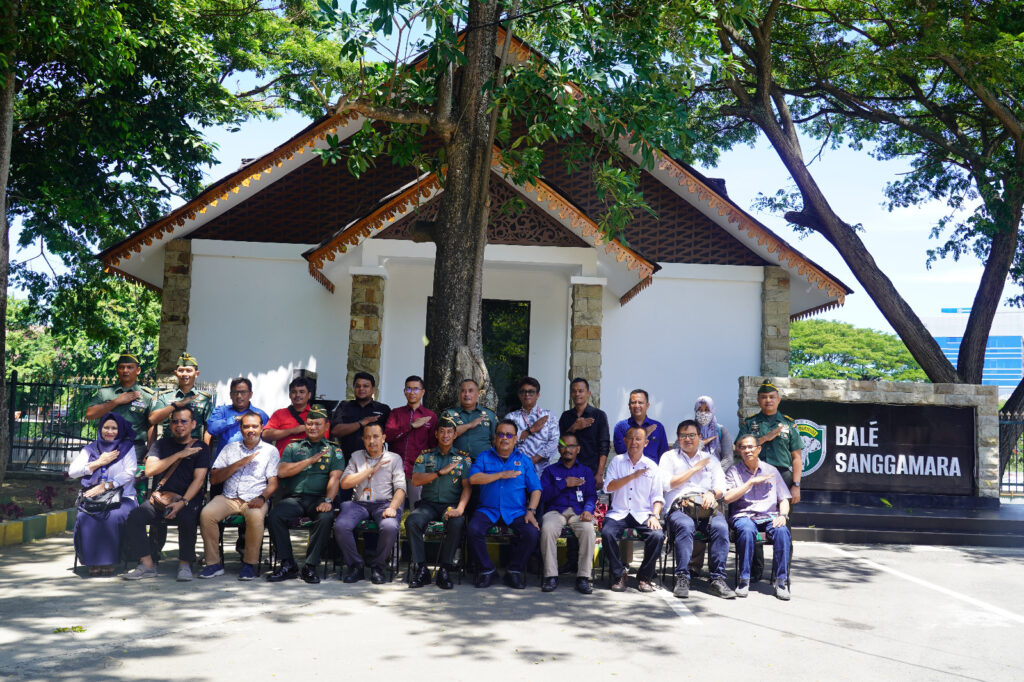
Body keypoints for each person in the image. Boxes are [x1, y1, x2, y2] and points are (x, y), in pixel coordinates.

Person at [122, 406, 211, 582]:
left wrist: (183, 501)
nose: (179, 425)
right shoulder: (160, 444)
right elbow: (150, 470)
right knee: (135, 517)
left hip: (187, 499)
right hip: (160, 498)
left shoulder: (200, 447)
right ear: (170, 425)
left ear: (193, 424)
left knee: (188, 517)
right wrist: (180, 454)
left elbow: (198, 480)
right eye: (175, 421)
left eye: (184, 421)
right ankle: (147, 564)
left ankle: (185, 563)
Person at [265, 405, 345, 584]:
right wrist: (309, 460)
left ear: (326, 426)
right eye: (309, 424)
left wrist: (328, 500)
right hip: (295, 498)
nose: (313, 427)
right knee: (275, 515)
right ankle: (287, 564)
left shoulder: (334, 450)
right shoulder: (293, 447)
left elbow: (335, 479)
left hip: (318, 499)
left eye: (317, 424)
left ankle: (310, 566)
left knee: (325, 517)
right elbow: (283, 472)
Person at [198, 411, 279, 581]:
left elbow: (273, 482)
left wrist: (262, 498)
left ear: (261, 428)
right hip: (228, 497)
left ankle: (249, 564)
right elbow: (214, 479)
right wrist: (238, 464)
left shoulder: (270, 451)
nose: (251, 430)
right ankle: (213, 563)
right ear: (241, 428)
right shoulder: (230, 448)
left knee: (256, 517)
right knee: (207, 514)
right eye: (246, 426)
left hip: (255, 498)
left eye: (254, 426)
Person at [661, 420, 735, 600]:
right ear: (678, 438)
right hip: (680, 507)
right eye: (683, 436)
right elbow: (666, 484)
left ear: (700, 437)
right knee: (685, 526)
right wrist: (694, 469)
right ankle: (682, 577)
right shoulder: (669, 457)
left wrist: (711, 493)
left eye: (692, 435)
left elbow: (720, 487)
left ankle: (717, 579)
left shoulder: (711, 460)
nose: (688, 439)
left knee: (721, 527)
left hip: (706, 507)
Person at [467, 419, 542, 589]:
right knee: (473, 529)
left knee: (531, 533)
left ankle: (514, 571)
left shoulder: (524, 460)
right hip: (488, 510)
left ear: (516, 439)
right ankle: (488, 570)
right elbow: (473, 478)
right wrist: (500, 475)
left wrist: (531, 511)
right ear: (495, 437)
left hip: (516, 511)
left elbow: (536, 489)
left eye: (509, 435)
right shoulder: (484, 457)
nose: (504, 438)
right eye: (500, 434)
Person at [68, 413, 138, 576]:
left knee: (113, 515)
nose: (110, 431)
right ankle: (92, 561)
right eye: (106, 427)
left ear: (120, 430)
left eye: (114, 428)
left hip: (122, 498)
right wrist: (99, 462)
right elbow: (72, 472)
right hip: (95, 499)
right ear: (100, 429)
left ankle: (110, 560)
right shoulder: (91, 449)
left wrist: (106, 485)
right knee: (85, 516)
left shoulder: (127, 448)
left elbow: (130, 472)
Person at [334, 423, 406, 584]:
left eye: (375, 436)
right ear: (363, 440)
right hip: (359, 503)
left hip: (384, 503)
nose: (371, 441)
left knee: (389, 526)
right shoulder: (356, 456)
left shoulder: (394, 458)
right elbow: (345, 483)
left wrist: (393, 508)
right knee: (341, 525)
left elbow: (401, 488)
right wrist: (369, 471)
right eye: (367, 437)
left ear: (383, 438)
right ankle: (356, 566)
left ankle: (378, 567)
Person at [405, 417, 472, 589]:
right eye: (442, 431)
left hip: (450, 505)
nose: (445, 435)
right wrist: (439, 472)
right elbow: (416, 480)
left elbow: (467, 487)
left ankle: (445, 569)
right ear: (436, 433)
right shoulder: (425, 456)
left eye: (449, 431)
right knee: (412, 521)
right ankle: (421, 569)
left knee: (457, 522)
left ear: (455, 435)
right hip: (428, 505)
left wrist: (460, 509)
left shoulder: (463, 459)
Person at [725, 433, 793, 600]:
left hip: (769, 516)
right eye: (743, 447)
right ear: (739, 450)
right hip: (744, 516)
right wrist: (749, 483)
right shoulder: (734, 471)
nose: (747, 450)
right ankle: (744, 579)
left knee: (782, 531)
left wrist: (783, 515)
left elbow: (784, 498)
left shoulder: (772, 471)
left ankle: (781, 581)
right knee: (746, 530)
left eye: (751, 447)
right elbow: (727, 498)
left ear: (758, 449)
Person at [602, 426, 665, 593]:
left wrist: (655, 515)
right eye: (630, 438)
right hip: (619, 512)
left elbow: (657, 497)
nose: (634, 442)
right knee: (607, 533)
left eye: (638, 439)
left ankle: (645, 576)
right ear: (624, 441)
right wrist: (633, 476)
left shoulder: (652, 466)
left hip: (643, 513)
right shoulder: (617, 461)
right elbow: (608, 487)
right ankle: (618, 573)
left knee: (657, 536)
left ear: (645, 443)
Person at [538, 433, 597, 594]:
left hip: (579, 511)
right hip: (555, 511)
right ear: (559, 448)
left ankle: (583, 577)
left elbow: (591, 495)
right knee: (548, 529)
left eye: (571, 446)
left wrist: (588, 510)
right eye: (564, 446)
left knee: (588, 530)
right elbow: (542, 495)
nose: (567, 449)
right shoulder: (550, 471)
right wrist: (564, 483)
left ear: (578, 449)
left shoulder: (586, 471)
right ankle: (551, 576)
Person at [737, 380, 803, 503]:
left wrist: (796, 485)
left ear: (778, 400)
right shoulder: (750, 422)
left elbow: (797, 457)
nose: (768, 400)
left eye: (772, 397)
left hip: (782, 475)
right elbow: (738, 448)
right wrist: (764, 438)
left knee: (783, 514)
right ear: (758, 400)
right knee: (753, 511)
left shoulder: (788, 423)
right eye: (764, 397)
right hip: (754, 473)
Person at [85, 352, 155, 460]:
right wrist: (116, 402)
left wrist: (151, 452)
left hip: (135, 448)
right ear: (117, 370)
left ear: (138, 370)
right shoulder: (106, 393)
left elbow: (151, 425)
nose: (125, 371)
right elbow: (89, 414)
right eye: (122, 367)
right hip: (107, 446)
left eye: (130, 367)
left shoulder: (146, 396)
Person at [384, 375, 437, 507]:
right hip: (396, 468)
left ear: (422, 392)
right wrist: (411, 426)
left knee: (417, 509)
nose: (412, 392)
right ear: (404, 391)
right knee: (393, 510)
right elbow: (388, 436)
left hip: (418, 469)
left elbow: (433, 445)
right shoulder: (396, 413)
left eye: (416, 389)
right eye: (408, 389)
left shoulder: (430, 416)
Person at [149, 352, 214, 443]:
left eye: (188, 370)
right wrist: (174, 406)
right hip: (168, 447)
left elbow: (209, 429)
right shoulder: (165, 396)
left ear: (196, 373)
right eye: (181, 370)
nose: (184, 374)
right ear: (176, 373)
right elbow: (153, 420)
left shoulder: (204, 399)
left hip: (193, 448)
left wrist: (205, 451)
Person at [558, 378, 610, 489]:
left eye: (580, 391)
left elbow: (604, 446)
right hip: (568, 468)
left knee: (588, 503)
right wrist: (573, 428)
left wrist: (600, 474)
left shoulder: (599, 415)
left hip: (591, 470)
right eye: (574, 391)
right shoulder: (566, 416)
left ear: (588, 393)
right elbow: (560, 442)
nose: (577, 394)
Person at [505, 376, 560, 476]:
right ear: (519, 395)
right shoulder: (511, 417)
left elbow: (555, 441)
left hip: (542, 472)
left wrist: (535, 459)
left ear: (538, 395)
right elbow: (506, 440)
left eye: (531, 392)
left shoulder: (549, 416)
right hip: (516, 469)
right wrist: (530, 430)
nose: (527, 394)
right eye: (523, 391)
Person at [331, 372, 391, 457]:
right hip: (347, 460)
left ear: (373, 389)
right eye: (358, 386)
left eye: (366, 386)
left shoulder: (383, 409)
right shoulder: (344, 406)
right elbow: (335, 431)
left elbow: (390, 437)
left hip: (375, 462)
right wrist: (361, 423)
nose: (361, 389)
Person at [206, 377, 269, 457]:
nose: (239, 396)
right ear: (230, 395)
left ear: (250, 394)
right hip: (225, 462)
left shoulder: (260, 414)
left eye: (243, 392)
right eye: (235, 392)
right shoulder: (221, 411)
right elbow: (211, 429)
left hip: (252, 462)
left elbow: (267, 438)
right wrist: (237, 418)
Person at [441, 378, 497, 457]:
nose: (467, 394)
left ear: (478, 394)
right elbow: (443, 437)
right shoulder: (449, 414)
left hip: (483, 464)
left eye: (470, 391)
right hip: (455, 463)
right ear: (459, 394)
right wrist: (470, 425)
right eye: (463, 391)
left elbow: (496, 441)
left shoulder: (490, 415)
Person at [612, 389, 669, 463]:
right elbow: (620, 451)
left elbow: (663, 455)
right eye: (633, 402)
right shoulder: (621, 427)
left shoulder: (658, 427)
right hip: (628, 471)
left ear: (647, 405)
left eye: (640, 402)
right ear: (629, 406)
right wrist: (644, 433)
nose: (637, 405)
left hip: (652, 472)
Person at [263, 377, 315, 456]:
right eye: (294, 392)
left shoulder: (317, 415)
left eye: (302, 392)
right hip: (283, 463)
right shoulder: (279, 413)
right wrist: (292, 431)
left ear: (309, 395)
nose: (297, 395)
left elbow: (323, 441)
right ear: (289, 395)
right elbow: (265, 435)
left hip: (308, 462)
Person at [693, 395, 734, 470]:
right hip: (693, 475)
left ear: (712, 410)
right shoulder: (689, 429)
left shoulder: (720, 430)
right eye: (700, 409)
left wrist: (714, 474)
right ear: (695, 410)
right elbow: (680, 451)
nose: (703, 413)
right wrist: (701, 443)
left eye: (707, 409)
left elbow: (728, 459)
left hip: (717, 476)